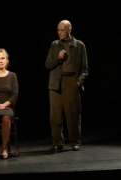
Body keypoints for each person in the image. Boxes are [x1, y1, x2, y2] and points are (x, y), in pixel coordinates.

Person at [45, 20, 88, 151]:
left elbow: (84, 69)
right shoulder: (54, 45)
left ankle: (75, 141)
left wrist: (79, 81)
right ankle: (57, 142)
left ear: (69, 30)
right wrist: (58, 58)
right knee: (55, 116)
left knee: (73, 114)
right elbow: (48, 65)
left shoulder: (79, 45)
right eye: (58, 30)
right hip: (55, 82)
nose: (59, 33)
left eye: (62, 30)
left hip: (71, 81)